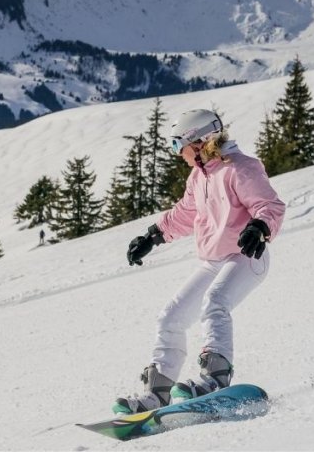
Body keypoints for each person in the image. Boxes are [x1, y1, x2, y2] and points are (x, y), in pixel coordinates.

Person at [114, 109, 286, 415]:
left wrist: (259, 228)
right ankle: (158, 391)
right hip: (213, 259)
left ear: (200, 141)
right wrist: (152, 237)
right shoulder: (200, 175)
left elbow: (269, 205)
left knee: (214, 302)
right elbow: (185, 213)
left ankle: (217, 377)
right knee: (171, 316)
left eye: (177, 145)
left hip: (246, 255)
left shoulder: (241, 168)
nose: (177, 153)